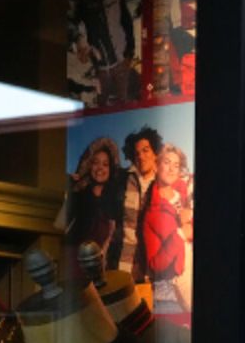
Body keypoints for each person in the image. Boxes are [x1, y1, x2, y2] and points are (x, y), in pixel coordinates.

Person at [71, 0, 136, 106]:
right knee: (102, 102)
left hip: (120, 59)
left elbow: (127, 22)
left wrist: (130, 52)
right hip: (101, 65)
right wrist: (80, 45)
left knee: (122, 100)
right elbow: (77, 25)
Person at [140, 144, 193, 314]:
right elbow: (155, 265)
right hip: (172, 297)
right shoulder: (152, 213)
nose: (171, 169)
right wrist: (179, 235)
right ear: (156, 166)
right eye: (167, 163)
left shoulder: (186, 197)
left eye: (176, 165)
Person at [65, 137, 123, 270]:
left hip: (105, 267)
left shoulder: (116, 200)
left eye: (105, 164)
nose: (100, 168)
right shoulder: (78, 196)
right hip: (76, 265)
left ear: (111, 168)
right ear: (88, 165)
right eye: (95, 162)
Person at [118, 126, 163, 280]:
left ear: (155, 153)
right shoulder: (123, 179)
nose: (141, 156)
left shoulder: (164, 180)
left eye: (146, 150)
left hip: (155, 260)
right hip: (128, 259)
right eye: (137, 153)